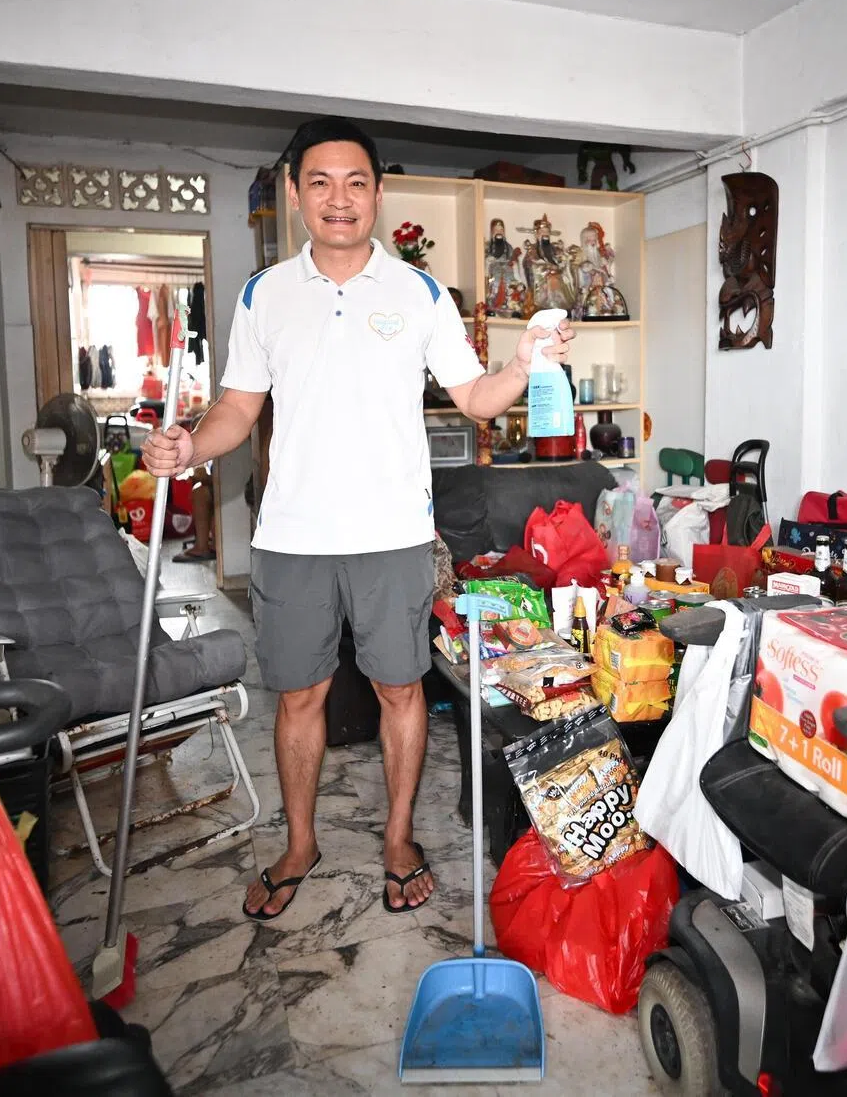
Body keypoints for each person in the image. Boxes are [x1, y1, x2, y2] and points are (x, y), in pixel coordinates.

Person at [141, 116, 573, 919]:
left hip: (393, 536)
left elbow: (475, 400)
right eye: (320, 182)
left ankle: (399, 836)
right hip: (293, 538)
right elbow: (237, 410)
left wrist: (522, 363)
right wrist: (190, 449)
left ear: (378, 194)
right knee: (298, 698)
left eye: (356, 182)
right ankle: (300, 842)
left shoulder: (418, 293)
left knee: (401, 692)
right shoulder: (263, 294)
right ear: (298, 194)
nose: (339, 199)